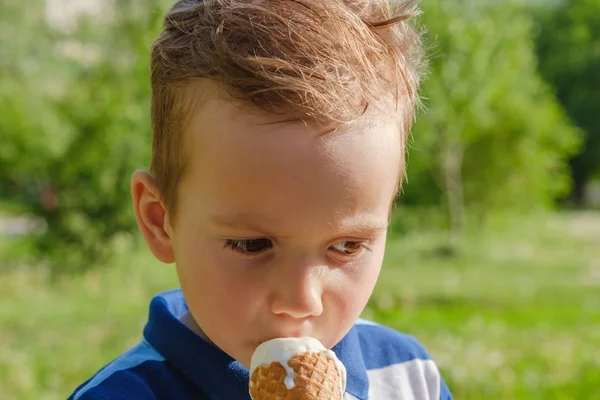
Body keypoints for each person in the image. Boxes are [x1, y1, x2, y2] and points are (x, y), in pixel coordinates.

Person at [68, 0, 453, 398]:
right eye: (253, 245)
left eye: (347, 246)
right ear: (160, 220)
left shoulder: (408, 376)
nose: (301, 301)